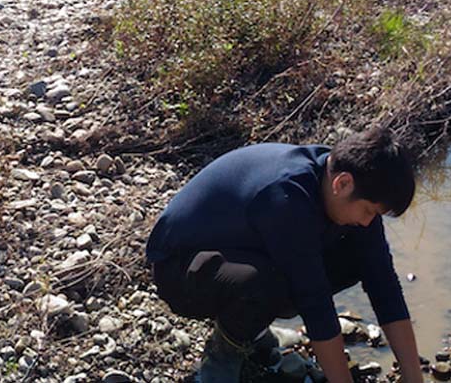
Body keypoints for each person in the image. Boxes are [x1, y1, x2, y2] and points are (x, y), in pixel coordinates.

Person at [146, 126, 425, 383]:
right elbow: (315, 303)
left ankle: (250, 330)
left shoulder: (350, 184)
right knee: (268, 284)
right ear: (342, 184)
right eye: (368, 212)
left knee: (356, 261)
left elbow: (384, 284)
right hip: (181, 269)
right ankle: (224, 353)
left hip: (243, 252)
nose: (368, 222)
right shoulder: (287, 196)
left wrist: (414, 378)